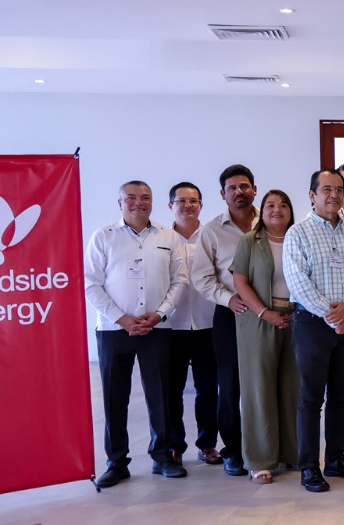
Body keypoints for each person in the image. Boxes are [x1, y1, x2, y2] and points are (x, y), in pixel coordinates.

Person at [87, 181, 189, 488]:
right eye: (130, 197)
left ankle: (162, 456)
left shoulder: (168, 236)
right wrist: (122, 319)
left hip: (157, 328)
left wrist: (159, 314)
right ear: (119, 203)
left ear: (152, 202)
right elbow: (91, 283)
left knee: (161, 396)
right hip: (113, 329)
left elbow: (180, 281)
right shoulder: (103, 237)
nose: (138, 202)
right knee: (114, 398)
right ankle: (117, 463)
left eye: (145, 197)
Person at [284, 169, 344, 492]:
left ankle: (336, 458)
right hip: (313, 324)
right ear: (313, 195)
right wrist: (334, 315)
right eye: (327, 189)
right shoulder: (298, 233)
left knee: (340, 395)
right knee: (311, 398)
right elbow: (298, 282)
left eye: (339, 189)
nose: (334, 195)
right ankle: (309, 466)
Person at [229, 190, 300, 484]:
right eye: (270, 205)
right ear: (262, 210)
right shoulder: (250, 240)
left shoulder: (300, 238)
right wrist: (263, 312)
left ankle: (292, 452)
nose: (277, 209)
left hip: (295, 319)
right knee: (260, 388)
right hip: (258, 319)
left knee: (292, 387)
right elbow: (240, 281)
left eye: (283, 204)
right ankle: (259, 460)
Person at [191, 164, 258, 477]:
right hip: (232, 313)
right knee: (230, 385)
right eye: (232, 188)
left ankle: (269, 446)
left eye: (244, 186)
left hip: (270, 314)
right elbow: (201, 277)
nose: (239, 192)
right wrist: (227, 298)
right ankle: (233, 450)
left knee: (267, 381)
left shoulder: (270, 220)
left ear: (254, 189)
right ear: (222, 194)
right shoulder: (212, 230)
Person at [163, 182, 221, 468]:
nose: (188, 206)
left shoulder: (211, 236)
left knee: (208, 389)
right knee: (171, 391)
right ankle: (175, 446)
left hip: (207, 323)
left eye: (193, 201)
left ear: (201, 205)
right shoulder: (162, 239)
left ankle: (207, 444)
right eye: (181, 201)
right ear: (170, 205)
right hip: (171, 326)